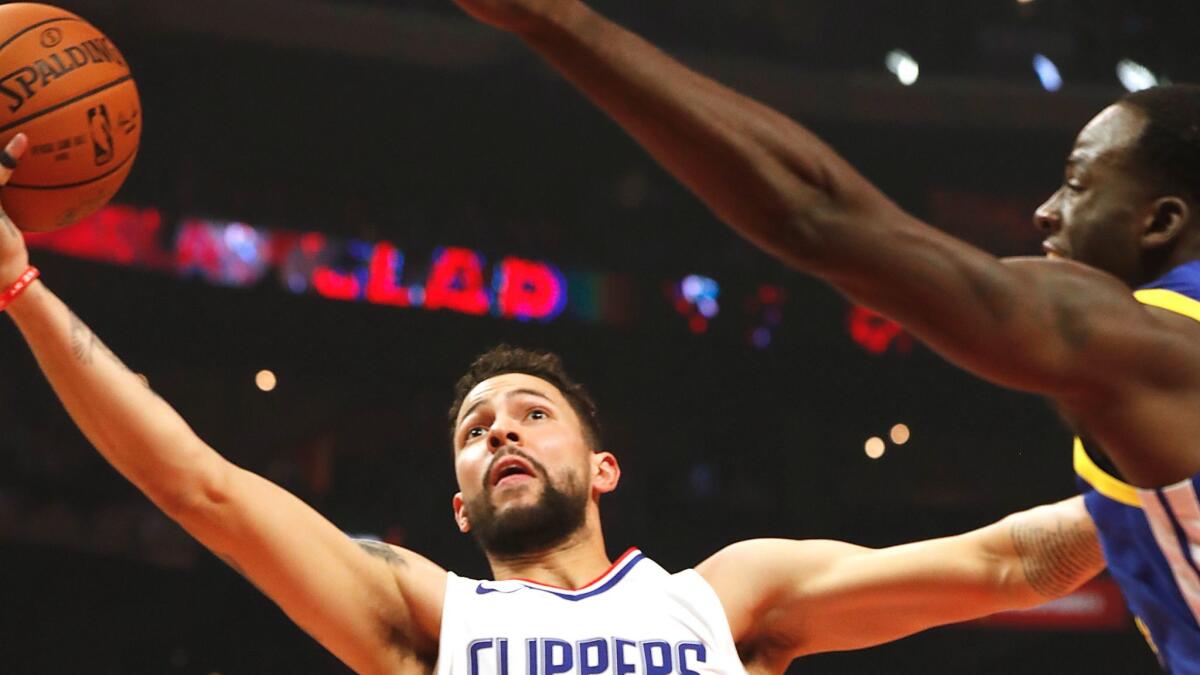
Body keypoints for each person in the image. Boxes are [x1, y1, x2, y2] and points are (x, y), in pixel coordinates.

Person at [0, 131, 1103, 672]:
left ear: (602, 467)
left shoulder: (728, 599)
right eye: (476, 433)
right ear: (462, 506)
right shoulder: (429, 619)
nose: (499, 431)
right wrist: (20, 286)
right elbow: (196, 484)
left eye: (530, 412)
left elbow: (1011, 563)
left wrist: (1163, 461)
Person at [446, 0, 1200, 669]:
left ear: (1161, 220)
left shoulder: (1148, 346)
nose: (1043, 212)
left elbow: (816, 215)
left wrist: (558, 20)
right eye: (479, 428)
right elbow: (1027, 552)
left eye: (1075, 180)